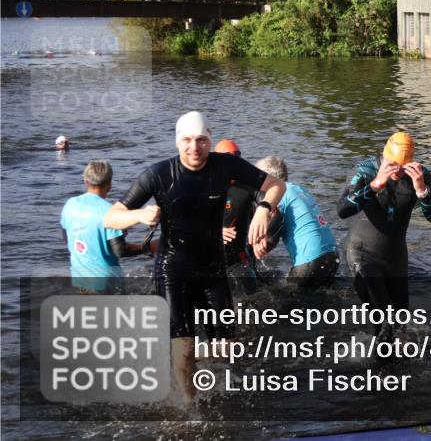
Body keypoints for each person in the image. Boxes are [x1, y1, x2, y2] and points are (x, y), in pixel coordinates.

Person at [104, 111, 286, 403]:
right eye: (187, 140)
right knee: (184, 347)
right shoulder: (159, 174)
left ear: (210, 140)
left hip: (213, 268)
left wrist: (263, 209)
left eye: (202, 140)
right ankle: (190, 409)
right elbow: (111, 218)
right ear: (178, 142)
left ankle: (181, 361)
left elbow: (276, 185)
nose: (194, 147)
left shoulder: (225, 165)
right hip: (173, 270)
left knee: (225, 348)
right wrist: (139, 214)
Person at [336, 132, 431, 336]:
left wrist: (422, 191)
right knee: (383, 319)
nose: (397, 172)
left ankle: (394, 365)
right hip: (362, 255)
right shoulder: (365, 171)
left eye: (402, 167)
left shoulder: (420, 175)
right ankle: (374, 366)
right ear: (385, 157)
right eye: (392, 165)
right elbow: (342, 209)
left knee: (400, 327)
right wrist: (375, 184)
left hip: (396, 259)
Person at [61, 160, 155, 291]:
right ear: (110, 184)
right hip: (107, 284)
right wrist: (147, 248)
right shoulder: (110, 213)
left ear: (85, 181)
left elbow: (67, 238)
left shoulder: (70, 205)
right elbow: (120, 251)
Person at [256, 156, 339, 289]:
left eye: (259, 178)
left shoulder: (277, 196)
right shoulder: (300, 190)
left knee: (283, 297)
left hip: (310, 260)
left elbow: (272, 234)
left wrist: (254, 246)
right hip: (332, 255)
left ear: (268, 178)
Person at [215, 138, 269, 293]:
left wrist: (263, 229)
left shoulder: (248, 186)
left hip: (238, 261)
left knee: (250, 299)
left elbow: (274, 209)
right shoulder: (202, 186)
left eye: (236, 159)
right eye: (229, 159)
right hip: (207, 261)